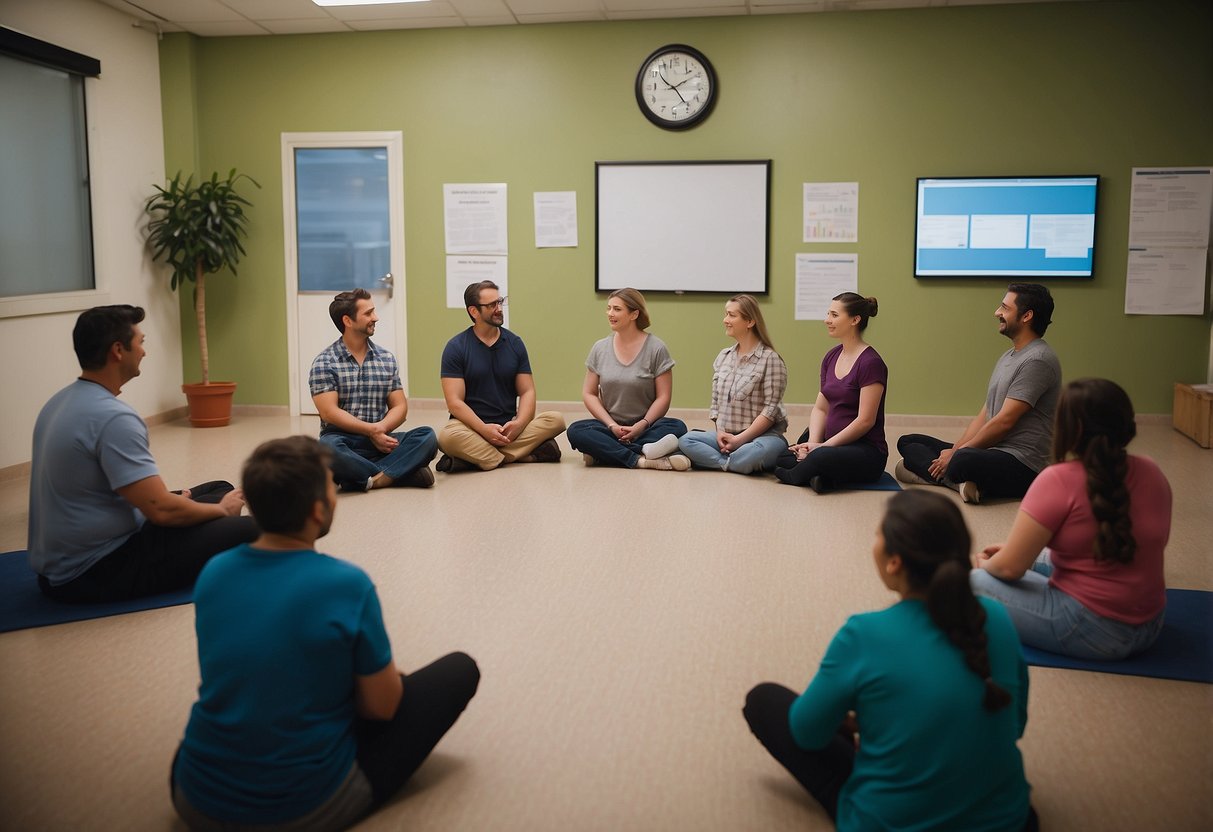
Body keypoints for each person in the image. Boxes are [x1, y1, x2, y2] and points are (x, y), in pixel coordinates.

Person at [172, 436, 480, 831]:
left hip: (193, 797)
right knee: (459, 670)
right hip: (304, 807)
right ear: (318, 511)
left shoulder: (214, 572)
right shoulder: (346, 584)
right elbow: (381, 709)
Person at [743, 490, 1035, 832]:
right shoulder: (996, 618)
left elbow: (807, 734)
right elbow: (1015, 724)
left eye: (877, 535)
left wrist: (861, 722)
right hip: (1008, 822)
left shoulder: (863, 635)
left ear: (894, 561)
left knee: (763, 701)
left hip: (889, 823)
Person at [28, 305, 257, 603]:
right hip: (96, 570)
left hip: (58, 566)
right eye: (141, 343)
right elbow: (160, 511)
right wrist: (220, 512)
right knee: (252, 528)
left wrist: (177, 503)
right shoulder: (112, 417)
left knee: (220, 489)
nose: (145, 352)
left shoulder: (60, 401)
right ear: (118, 350)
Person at [971, 378, 1169, 660]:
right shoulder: (1152, 471)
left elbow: (1010, 571)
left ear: (1069, 429)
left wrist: (986, 567)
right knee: (1040, 555)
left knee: (974, 581)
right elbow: (1150, 544)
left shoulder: (1058, 479)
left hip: (1095, 631)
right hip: (1152, 623)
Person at [895, 283, 1061, 503]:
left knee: (963, 460)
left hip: (1024, 463)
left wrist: (956, 455)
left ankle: (942, 476)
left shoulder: (1038, 360)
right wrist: (954, 449)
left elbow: (1004, 422)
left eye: (1005, 308)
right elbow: (985, 415)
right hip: (993, 450)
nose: (997, 313)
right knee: (909, 441)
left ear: (1026, 316)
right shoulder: (1009, 356)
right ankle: (959, 483)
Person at [310, 289, 438, 491]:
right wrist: (371, 430)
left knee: (427, 436)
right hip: (342, 441)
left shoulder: (385, 358)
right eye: (368, 313)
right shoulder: (324, 362)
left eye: (374, 312)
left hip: (381, 440)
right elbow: (329, 413)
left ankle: (365, 478)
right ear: (348, 321)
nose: (375, 318)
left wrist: (381, 429)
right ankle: (401, 473)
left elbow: (400, 406)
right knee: (327, 449)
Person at [437, 281, 566, 471]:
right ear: (474, 311)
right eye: (491, 305)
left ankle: (472, 460)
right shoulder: (456, 347)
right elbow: (454, 402)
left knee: (556, 420)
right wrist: (483, 430)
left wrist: (520, 423)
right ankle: (518, 456)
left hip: (508, 428)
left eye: (500, 302)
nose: (499, 309)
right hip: (471, 428)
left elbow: (527, 391)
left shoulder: (515, 343)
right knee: (447, 437)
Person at [566, 288, 690, 470]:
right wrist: (611, 425)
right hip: (610, 427)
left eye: (617, 309)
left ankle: (604, 453)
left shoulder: (656, 348)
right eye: (608, 308)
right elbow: (589, 393)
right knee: (576, 431)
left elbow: (663, 397)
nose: (610, 314)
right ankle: (642, 458)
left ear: (634, 314)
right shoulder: (600, 348)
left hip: (646, 427)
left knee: (677, 427)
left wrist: (642, 424)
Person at [774, 293, 887, 493]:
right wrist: (814, 443)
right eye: (828, 313)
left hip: (865, 450)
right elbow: (821, 408)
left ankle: (798, 475)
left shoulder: (871, 363)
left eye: (834, 315)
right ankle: (818, 475)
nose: (827, 320)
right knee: (786, 454)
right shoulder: (831, 356)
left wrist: (823, 448)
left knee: (817, 458)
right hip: (829, 442)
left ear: (855, 320)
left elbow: (865, 421)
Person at [677, 294, 788, 475]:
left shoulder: (770, 359)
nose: (725, 320)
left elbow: (770, 410)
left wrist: (740, 440)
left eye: (731, 315)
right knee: (686, 440)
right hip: (726, 436)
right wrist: (720, 432)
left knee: (757, 451)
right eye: (726, 314)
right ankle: (730, 463)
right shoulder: (724, 356)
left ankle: (717, 460)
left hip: (760, 439)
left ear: (750, 321)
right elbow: (716, 403)